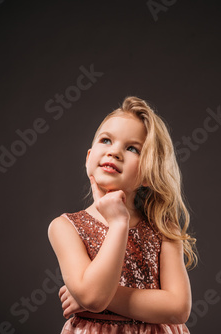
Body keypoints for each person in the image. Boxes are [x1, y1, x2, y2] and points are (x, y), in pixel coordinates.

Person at [48, 96, 197, 333]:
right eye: (106, 140)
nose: (114, 152)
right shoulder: (65, 227)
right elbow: (94, 298)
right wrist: (118, 223)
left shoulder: (163, 228)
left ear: (148, 173)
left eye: (132, 148)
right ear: (88, 158)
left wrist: (97, 297)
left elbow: (178, 308)